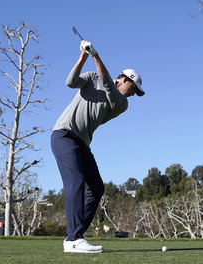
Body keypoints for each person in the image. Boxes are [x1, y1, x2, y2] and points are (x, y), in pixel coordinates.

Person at [51, 38, 145, 253]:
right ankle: (74, 239)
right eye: (134, 88)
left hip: (81, 143)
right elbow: (70, 82)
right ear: (123, 79)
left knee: (96, 187)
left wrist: (95, 55)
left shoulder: (122, 103)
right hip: (64, 135)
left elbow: (108, 87)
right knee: (76, 181)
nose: (134, 94)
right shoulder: (93, 77)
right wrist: (83, 57)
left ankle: (74, 237)